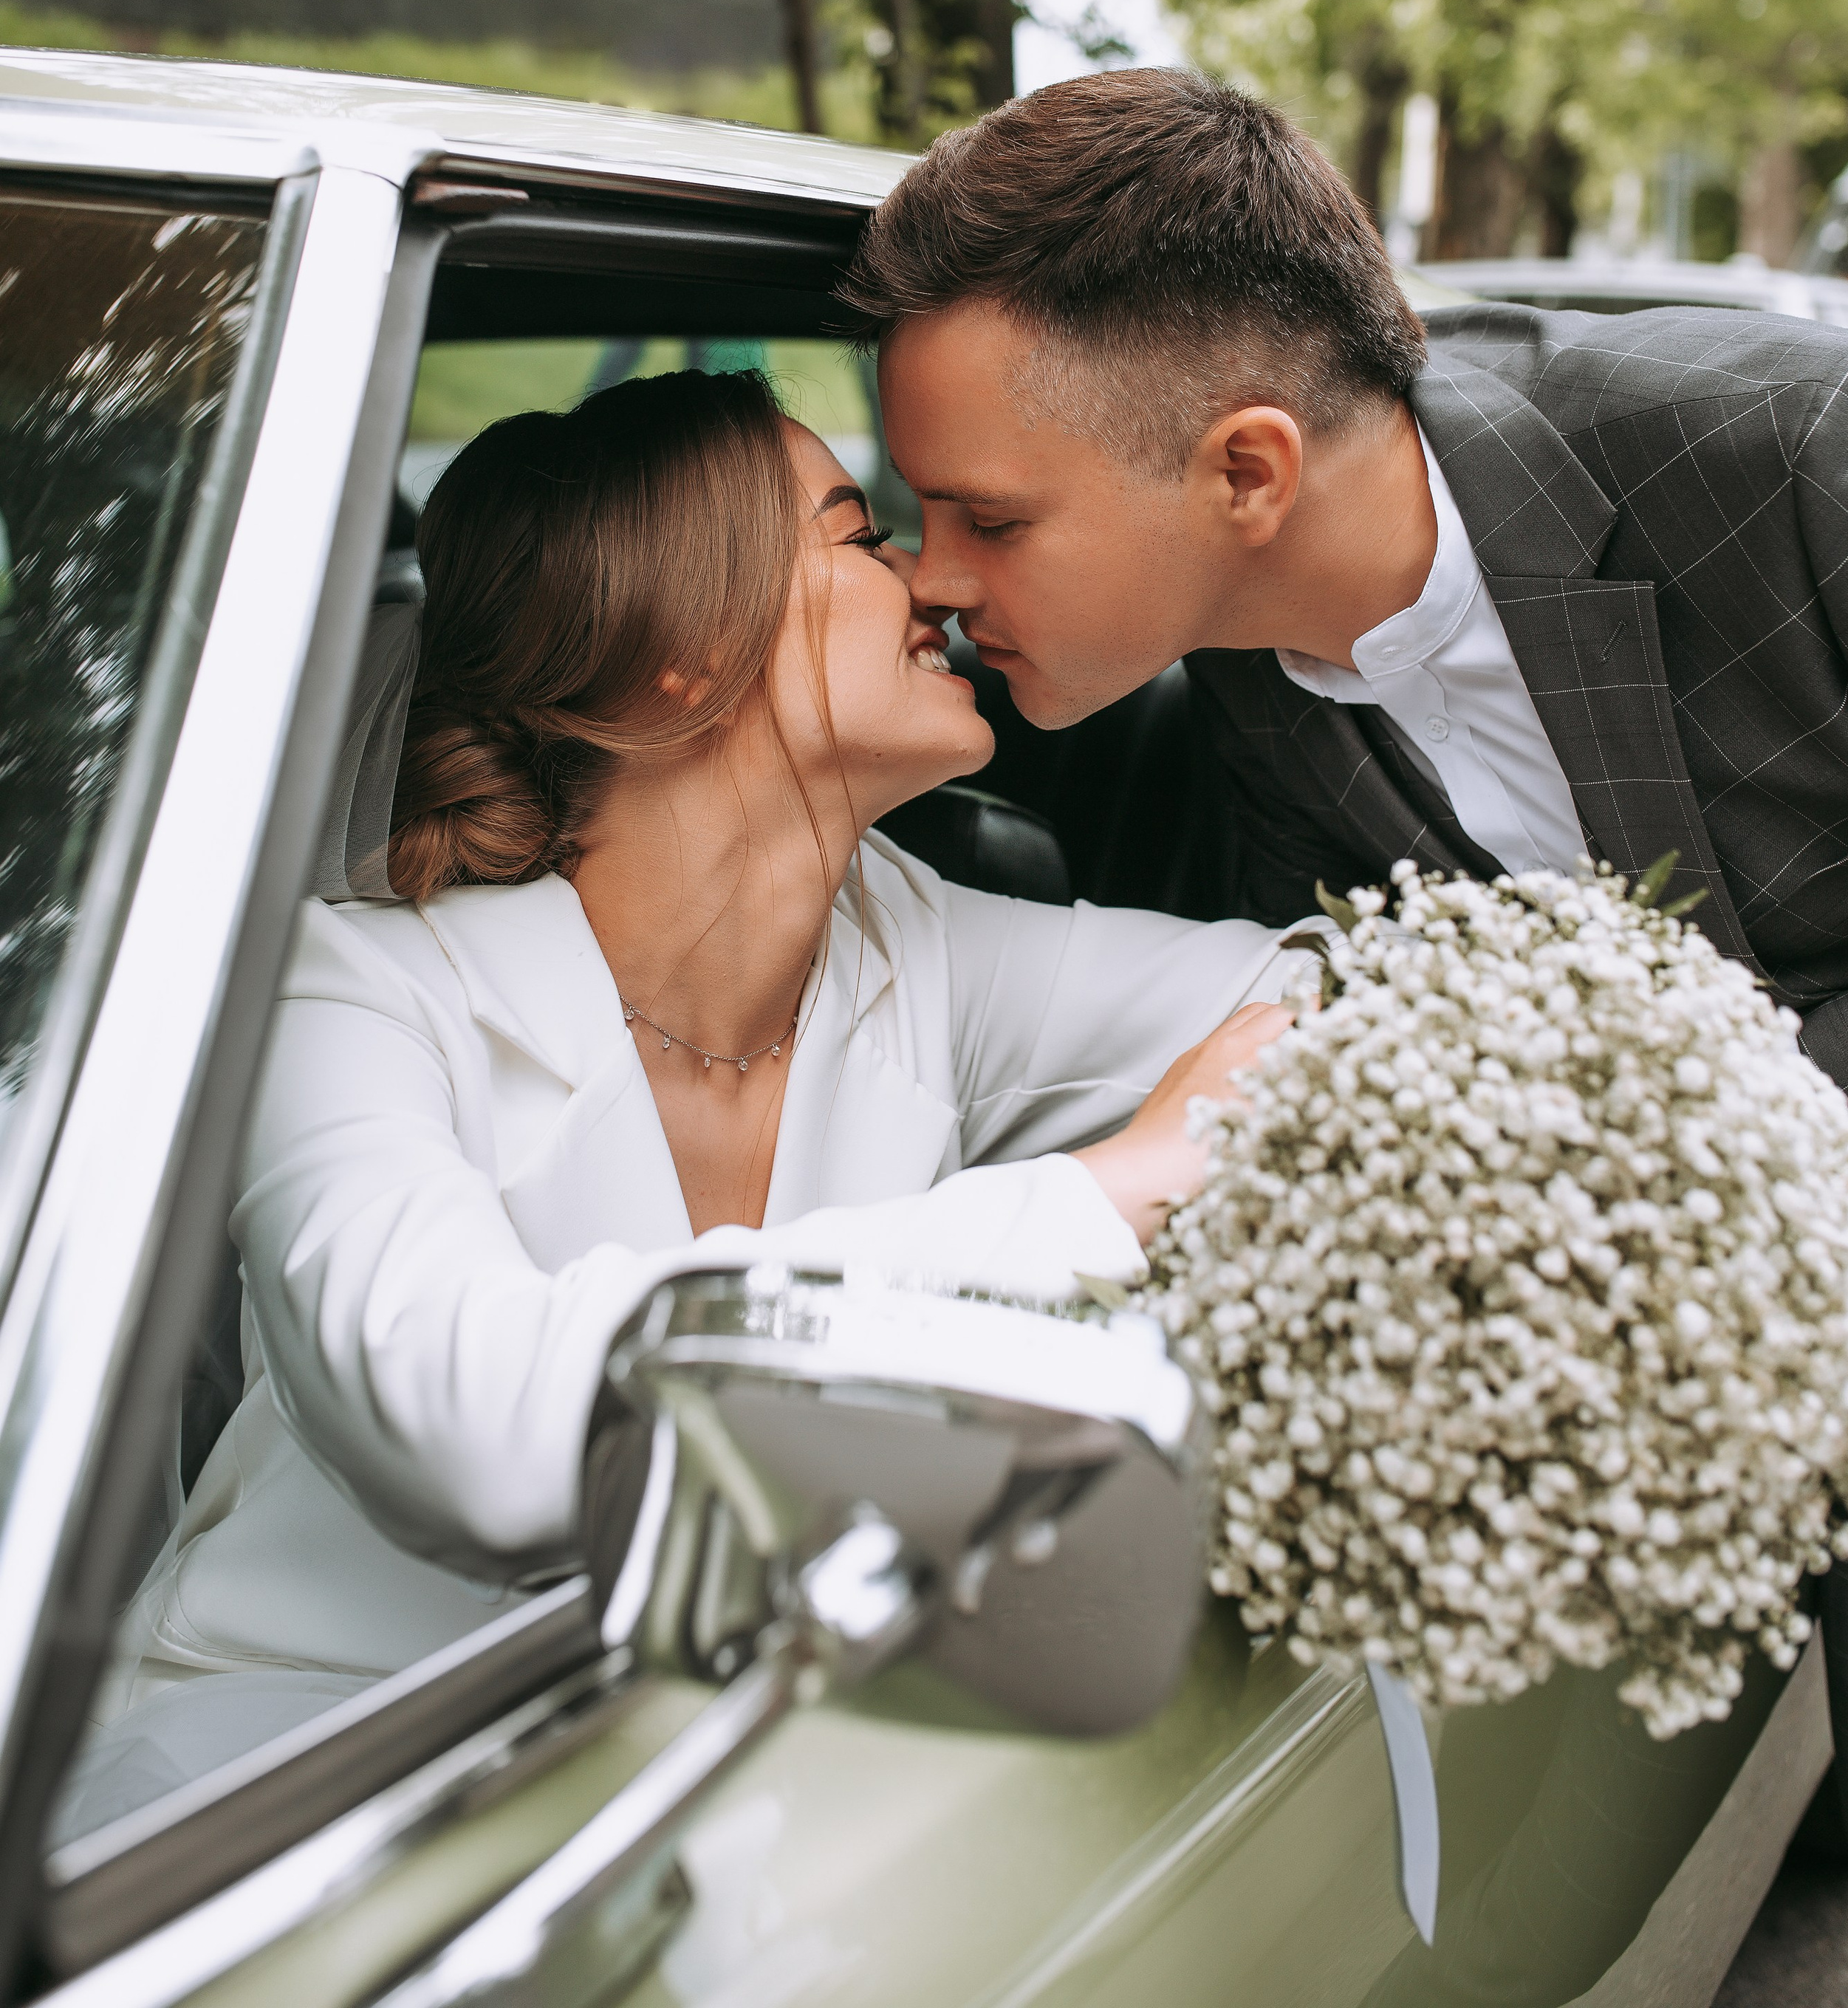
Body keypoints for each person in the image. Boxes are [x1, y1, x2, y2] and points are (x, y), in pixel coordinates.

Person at [847, 62, 1848, 1998]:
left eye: (985, 516)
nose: (934, 577)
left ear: (1246, 472)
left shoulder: (1797, 454)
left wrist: (1775, 1140)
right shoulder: (1200, 718)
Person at [101, 365, 1317, 1744]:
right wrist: (1095, 1202)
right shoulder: (357, 993)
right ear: (683, 645)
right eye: (862, 537)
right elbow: (482, 1435)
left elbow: (1317, 991)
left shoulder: (919, 950)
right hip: (285, 1771)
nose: (931, 583)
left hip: (710, 1752)